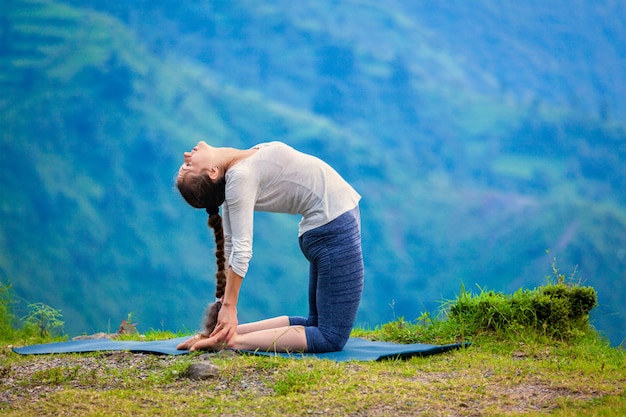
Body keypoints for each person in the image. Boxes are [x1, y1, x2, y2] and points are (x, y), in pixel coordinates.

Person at [175, 140, 364, 353]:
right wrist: (227, 306)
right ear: (212, 172)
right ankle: (231, 341)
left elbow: (230, 248)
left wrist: (220, 318)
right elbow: (240, 250)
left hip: (326, 228)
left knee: (315, 324)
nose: (185, 156)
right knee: (330, 337)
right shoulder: (240, 177)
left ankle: (224, 336)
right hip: (333, 230)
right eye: (188, 166)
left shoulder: (237, 172)